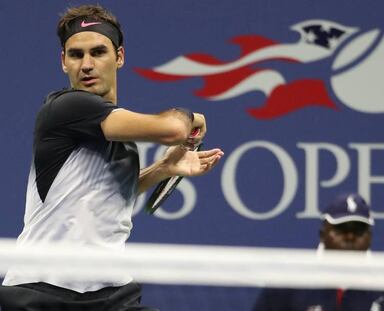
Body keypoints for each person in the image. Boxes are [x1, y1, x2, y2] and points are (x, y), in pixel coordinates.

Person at [0, 4, 223, 311]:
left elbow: (101, 198)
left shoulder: (119, 138)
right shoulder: (65, 108)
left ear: (119, 56)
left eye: (98, 52)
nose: (87, 64)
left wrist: (163, 168)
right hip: (43, 291)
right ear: (63, 62)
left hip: (110, 293)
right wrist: (193, 116)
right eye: (76, 55)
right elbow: (173, 129)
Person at [253, 193, 384, 311]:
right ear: (323, 234)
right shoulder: (287, 284)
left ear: (370, 236)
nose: (350, 237)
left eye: (358, 230)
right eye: (341, 229)